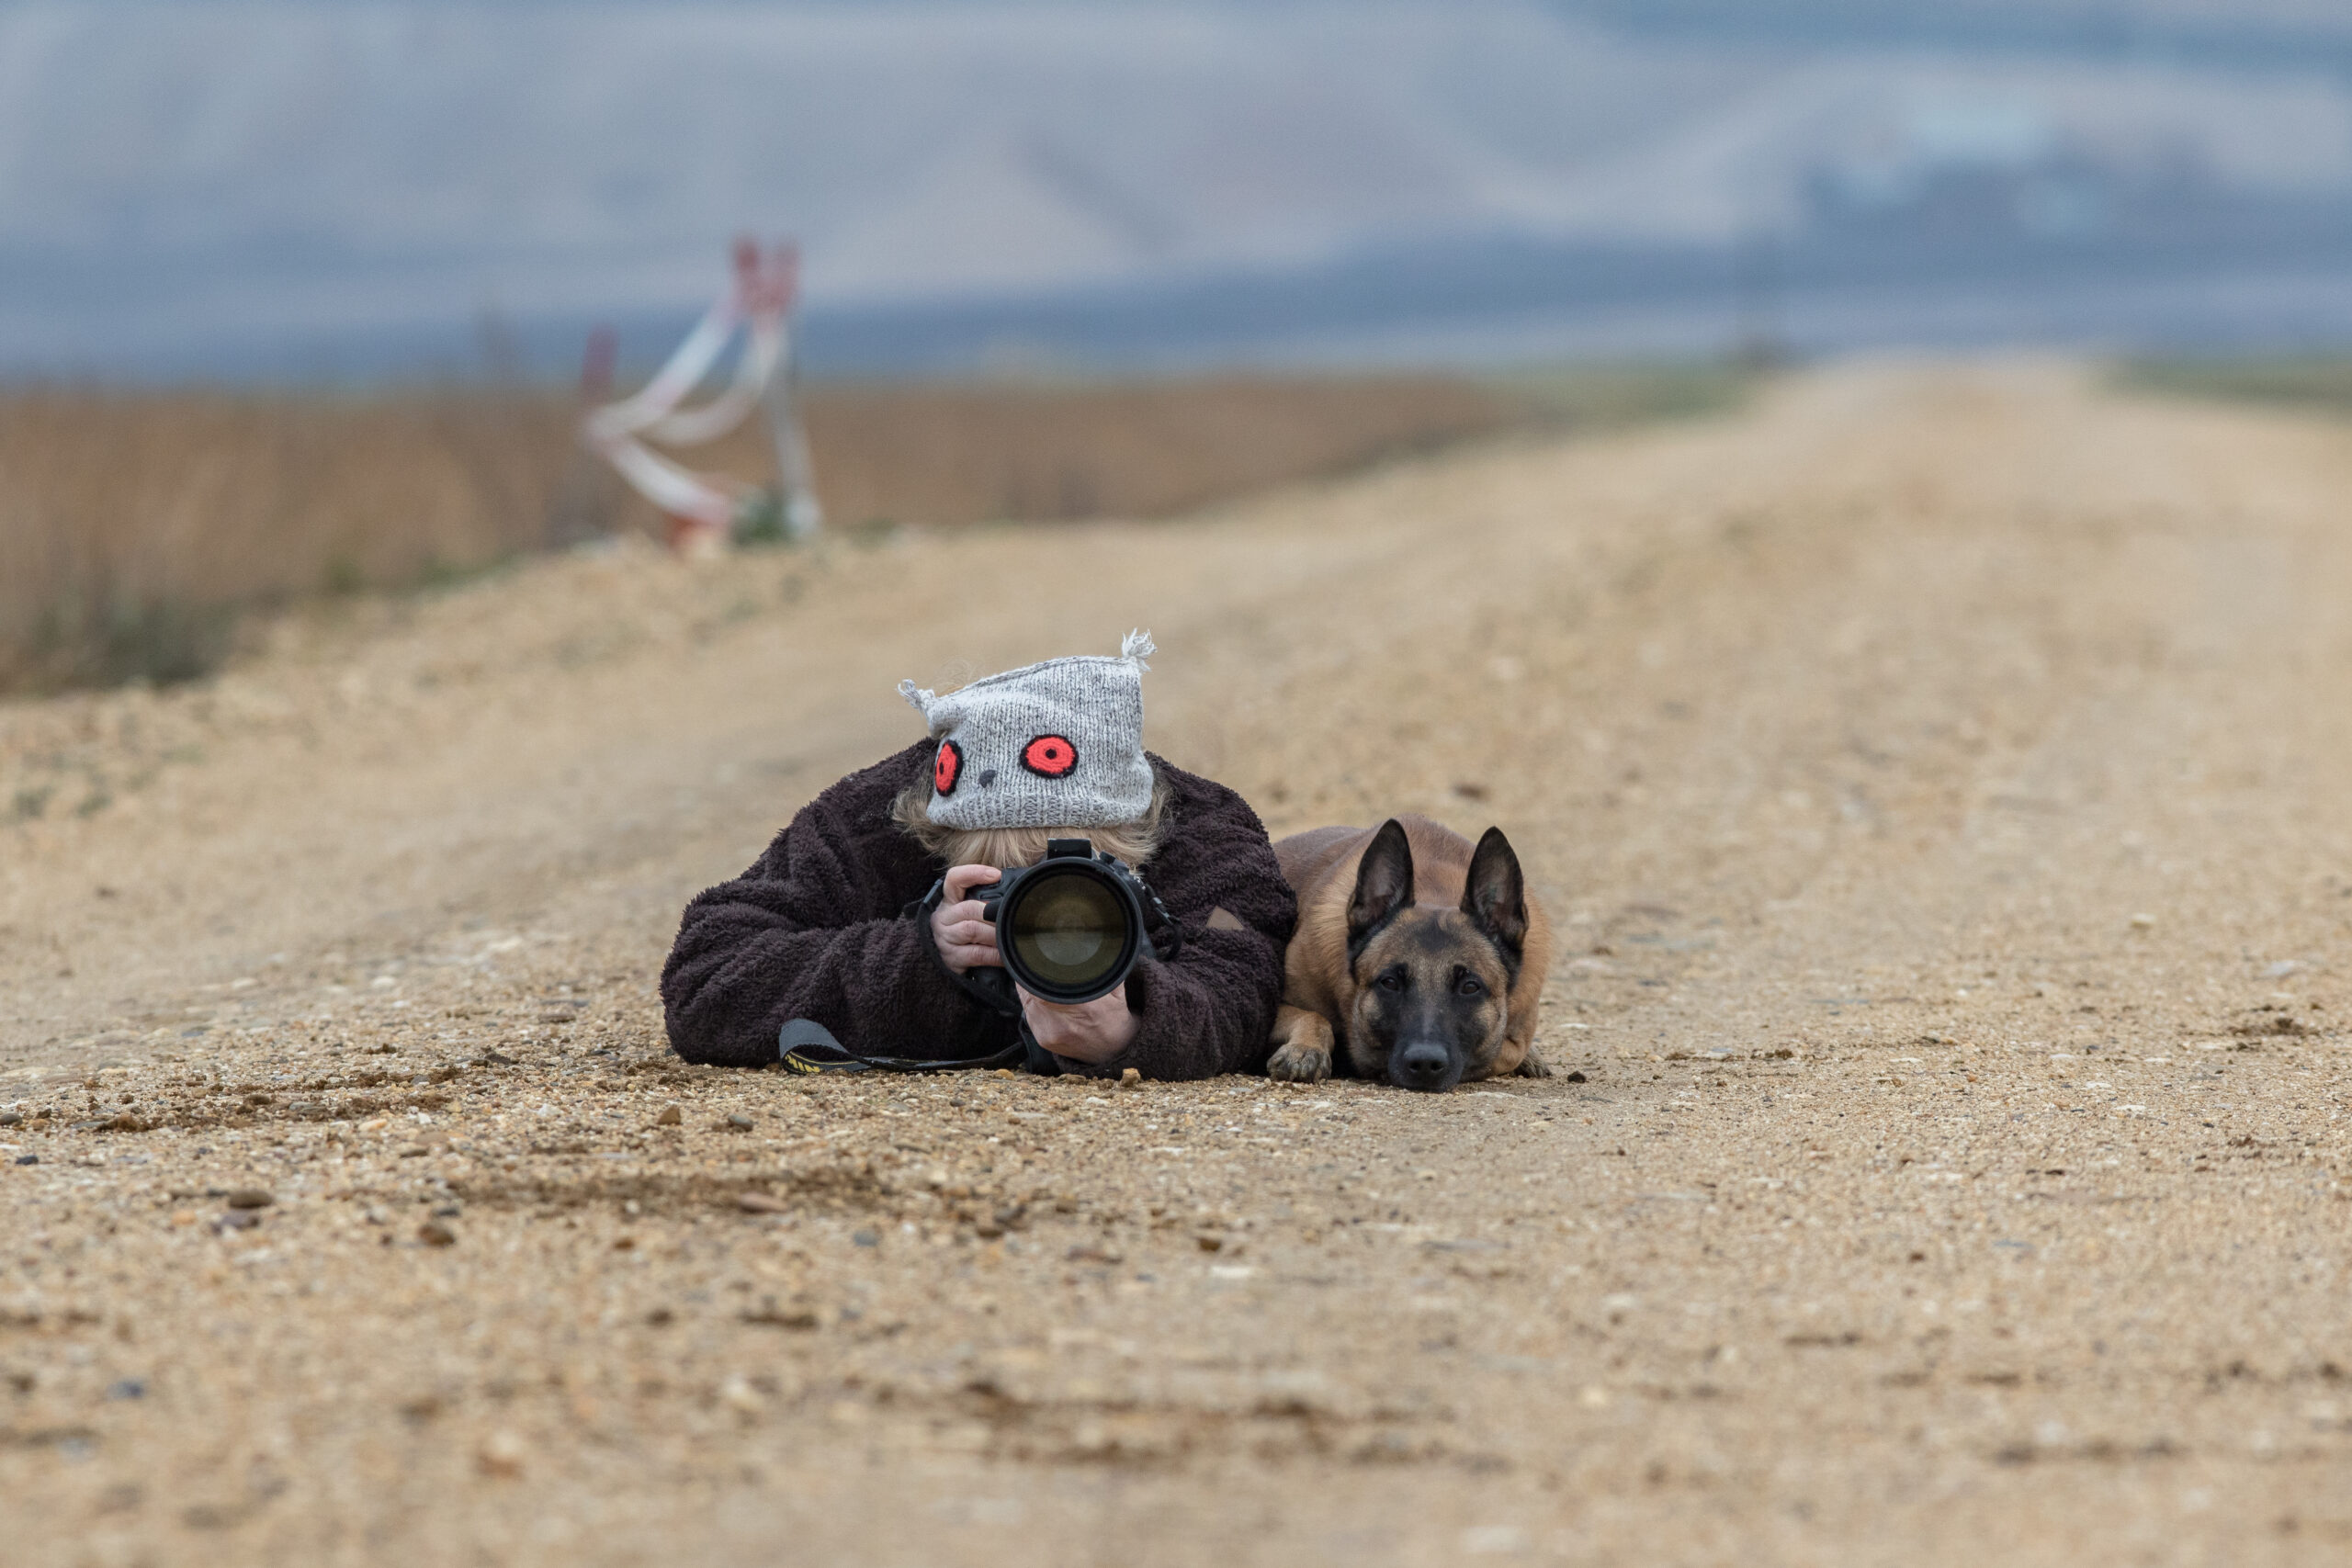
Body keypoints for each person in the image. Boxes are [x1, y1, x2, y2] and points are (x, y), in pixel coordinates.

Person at [661, 633, 1295, 1078]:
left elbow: (1244, 979)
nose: (1039, 915)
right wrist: (920, 956)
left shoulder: (1203, 831)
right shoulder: (879, 816)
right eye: (1004, 887)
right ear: (936, 843)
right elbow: (709, 972)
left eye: (1074, 881)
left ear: (1136, 844)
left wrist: (1138, 1024)